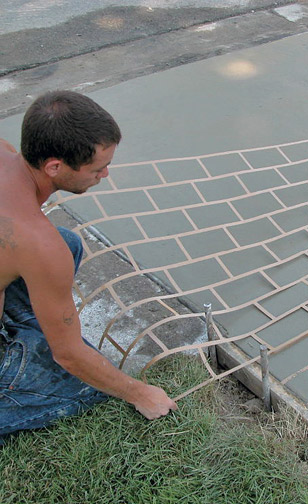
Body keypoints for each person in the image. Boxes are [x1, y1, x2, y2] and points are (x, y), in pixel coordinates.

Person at [0, 90, 177, 443]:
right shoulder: (37, 243)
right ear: (54, 166)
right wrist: (140, 393)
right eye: (97, 168)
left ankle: (25, 334)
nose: (105, 174)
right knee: (86, 385)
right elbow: (69, 356)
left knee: (68, 241)